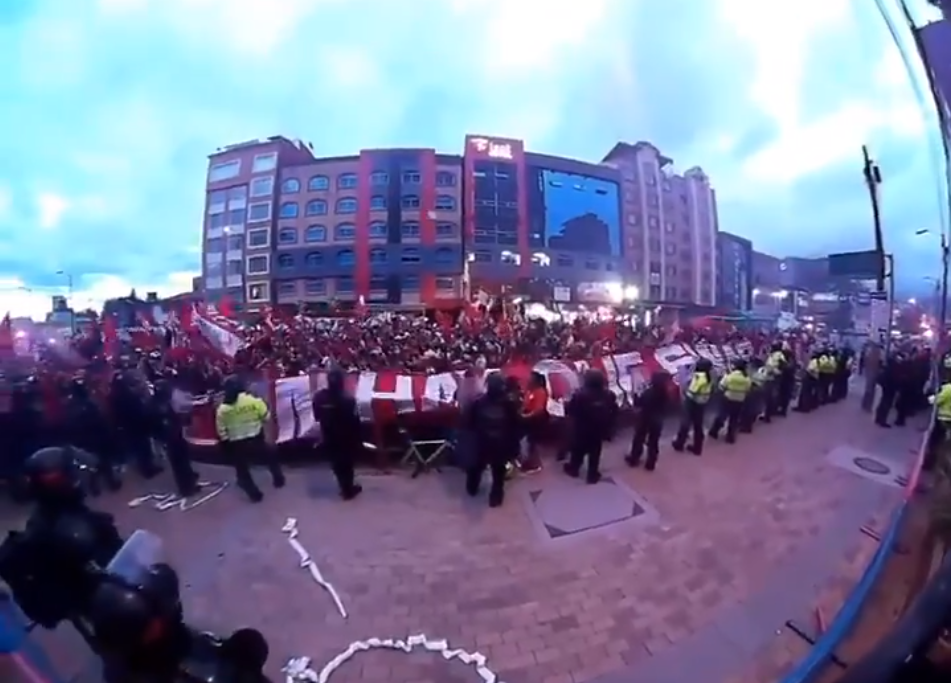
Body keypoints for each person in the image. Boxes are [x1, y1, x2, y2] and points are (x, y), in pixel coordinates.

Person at [216, 376, 285, 503]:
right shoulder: (254, 401)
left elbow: (221, 431)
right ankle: (278, 479)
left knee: (242, 471)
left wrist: (227, 444)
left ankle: (255, 495)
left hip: (237, 444)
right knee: (271, 457)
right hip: (256, 438)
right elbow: (266, 417)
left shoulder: (222, 409)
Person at [465, 374, 519, 507]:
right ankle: (496, 497)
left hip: (482, 442)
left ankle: (472, 489)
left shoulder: (478, 402)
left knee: (476, 468)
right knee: (498, 473)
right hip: (500, 444)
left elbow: (469, 423)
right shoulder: (509, 404)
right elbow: (515, 425)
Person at [62, 379, 122, 492]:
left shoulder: (70, 405)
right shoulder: (90, 404)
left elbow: (68, 424)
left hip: (83, 440)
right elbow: (100, 421)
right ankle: (112, 483)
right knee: (104, 461)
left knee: (89, 464)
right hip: (97, 438)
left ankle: (94, 487)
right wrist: (109, 435)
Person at [312, 369, 363, 500]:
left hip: (329, 434)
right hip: (346, 436)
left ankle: (344, 487)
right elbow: (355, 420)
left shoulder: (319, 397)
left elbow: (317, 416)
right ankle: (348, 488)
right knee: (348, 463)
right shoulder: (348, 399)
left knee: (336, 462)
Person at [564, 370, 617, 484]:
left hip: (582, 429)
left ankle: (574, 469)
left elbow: (571, 411)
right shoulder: (609, 394)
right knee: (595, 452)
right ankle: (592, 475)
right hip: (599, 429)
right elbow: (614, 410)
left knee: (578, 450)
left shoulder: (580, 395)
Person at [150, 380, 200, 498]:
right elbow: (162, 424)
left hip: (176, 435)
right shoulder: (158, 406)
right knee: (179, 464)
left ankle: (190, 480)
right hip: (171, 439)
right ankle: (186, 489)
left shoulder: (161, 402)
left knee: (184, 460)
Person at [626, 370, 670, 471]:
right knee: (653, 442)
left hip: (645, 418)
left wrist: (636, 397)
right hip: (658, 420)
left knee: (639, 438)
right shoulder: (664, 392)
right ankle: (651, 463)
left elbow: (640, 404)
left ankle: (634, 458)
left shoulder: (648, 393)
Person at [671, 358, 713, 455]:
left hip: (692, 402)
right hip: (702, 402)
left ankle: (679, 443)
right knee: (698, 425)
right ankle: (697, 447)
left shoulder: (699, 377)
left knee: (685, 423)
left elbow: (692, 390)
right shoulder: (709, 376)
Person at [708, 359, 751, 444]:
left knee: (722, 415)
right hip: (739, 400)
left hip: (728, 398)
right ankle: (730, 437)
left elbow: (721, 386)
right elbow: (748, 389)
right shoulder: (747, 379)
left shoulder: (729, 376)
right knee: (734, 418)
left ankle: (714, 431)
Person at [519, 372, 548, 474]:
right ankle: (528, 461)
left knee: (532, 442)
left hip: (536, 420)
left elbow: (539, 409)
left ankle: (535, 464)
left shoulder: (540, 392)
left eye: (531, 378)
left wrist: (527, 416)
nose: (529, 380)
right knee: (528, 441)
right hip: (528, 419)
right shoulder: (529, 391)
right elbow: (525, 404)